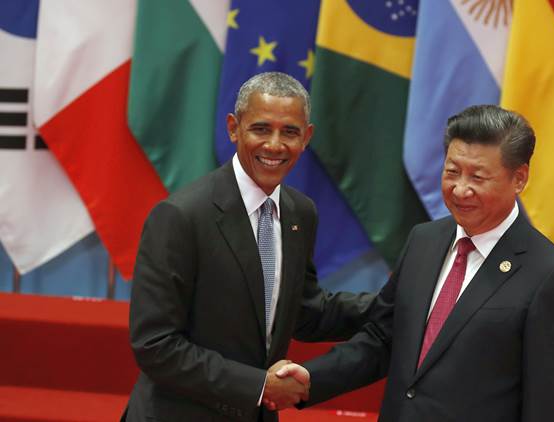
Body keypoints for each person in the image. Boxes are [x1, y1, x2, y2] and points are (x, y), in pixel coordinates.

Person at [274, 105, 554, 421]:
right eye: (452, 171)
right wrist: (309, 380)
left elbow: (551, 406)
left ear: (519, 178)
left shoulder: (551, 276)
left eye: (478, 177)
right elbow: (384, 338)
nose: (460, 189)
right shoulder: (424, 241)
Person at [122, 72, 375, 422]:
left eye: (290, 132)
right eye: (260, 129)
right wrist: (259, 386)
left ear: (307, 137)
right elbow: (155, 345)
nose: (275, 145)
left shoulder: (300, 213)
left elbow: (302, 311)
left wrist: (398, 304)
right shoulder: (181, 216)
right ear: (233, 128)